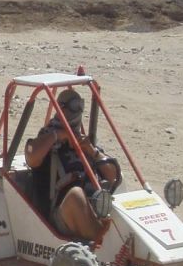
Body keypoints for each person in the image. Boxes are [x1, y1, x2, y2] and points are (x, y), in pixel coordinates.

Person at [24, 88, 119, 241]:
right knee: (76, 195)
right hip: (62, 212)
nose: (79, 110)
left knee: (125, 202)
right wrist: (58, 135)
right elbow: (31, 157)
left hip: (95, 205)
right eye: (74, 105)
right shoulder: (46, 136)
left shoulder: (85, 140)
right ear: (60, 107)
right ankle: (104, 248)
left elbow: (114, 177)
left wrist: (91, 150)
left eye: (81, 104)